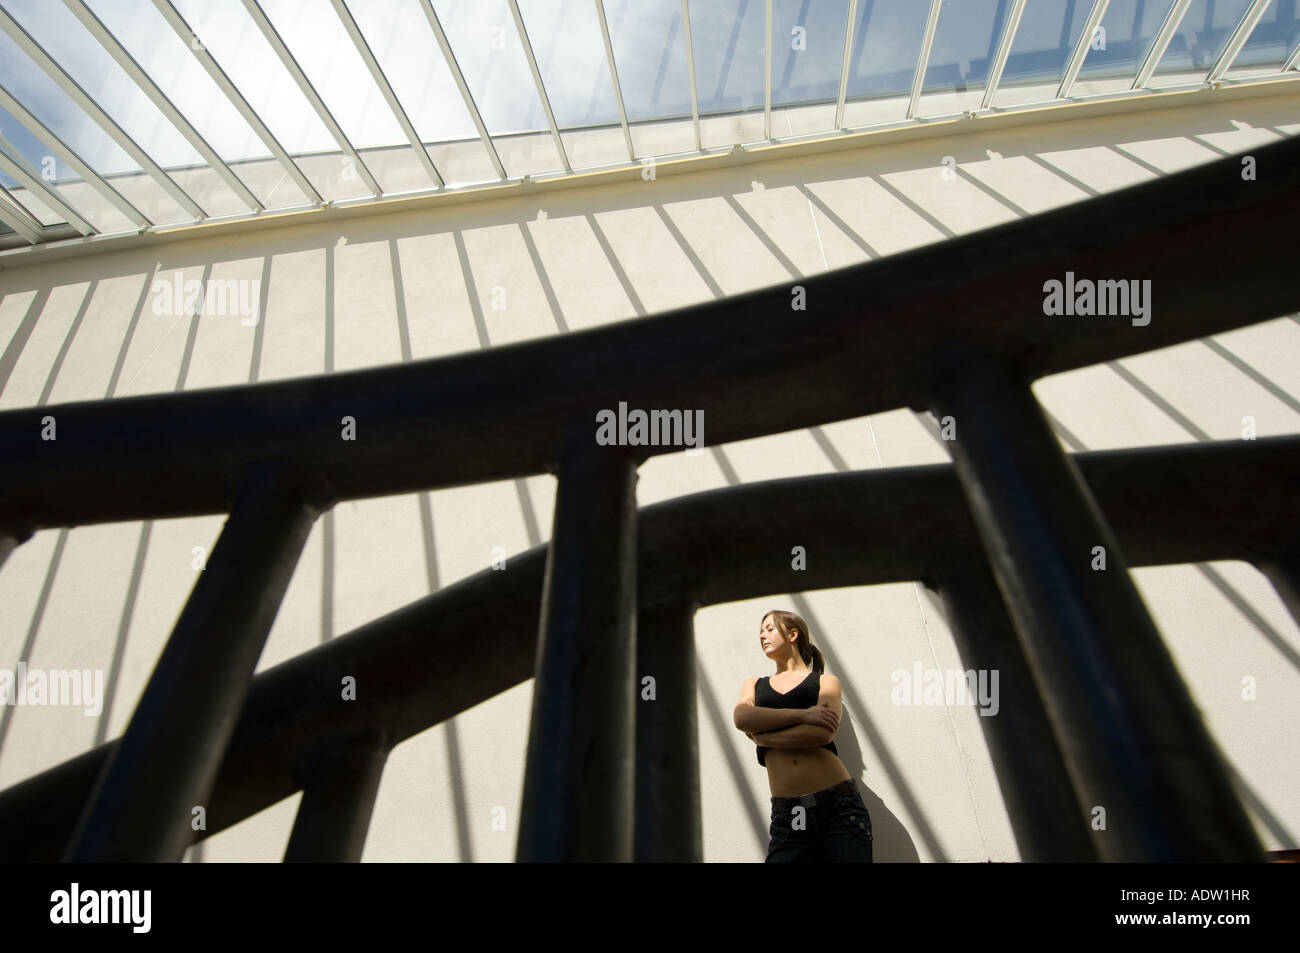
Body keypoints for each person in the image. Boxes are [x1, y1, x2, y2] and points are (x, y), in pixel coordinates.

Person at [733, 609, 872, 862]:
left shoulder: (825, 682)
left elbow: (821, 734)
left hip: (839, 807)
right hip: (788, 815)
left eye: (769, 629)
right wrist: (803, 715)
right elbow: (742, 718)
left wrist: (764, 739)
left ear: (793, 634)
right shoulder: (754, 684)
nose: (762, 636)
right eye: (761, 631)